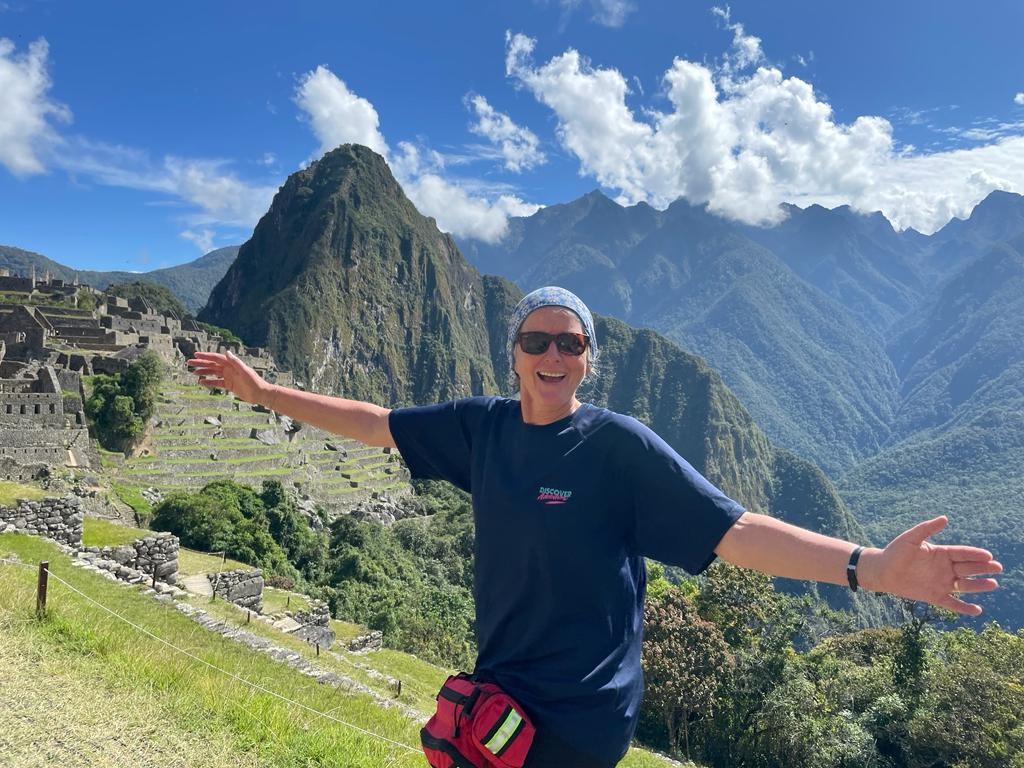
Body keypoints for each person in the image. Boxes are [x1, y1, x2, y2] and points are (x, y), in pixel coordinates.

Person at [188, 286, 1001, 768]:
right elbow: (376, 422)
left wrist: (871, 569)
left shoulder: (618, 449)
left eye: (569, 343)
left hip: (580, 719)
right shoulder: (483, 429)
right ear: (513, 351)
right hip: (500, 698)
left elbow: (735, 530)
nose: (553, 354)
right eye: (536, 340)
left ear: (588, 358)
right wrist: (265, 395)